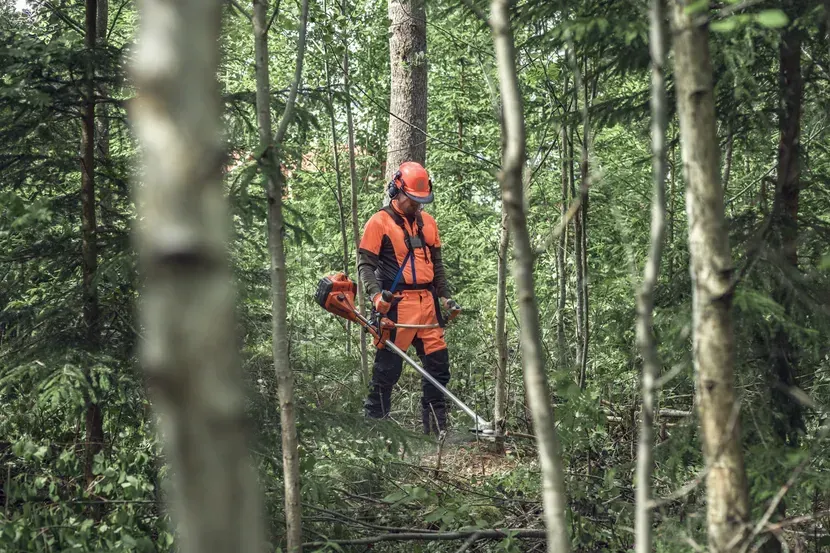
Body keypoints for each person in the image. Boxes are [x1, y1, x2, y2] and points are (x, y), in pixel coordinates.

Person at [357, 161, 460, 434]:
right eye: (413, 200)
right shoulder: (379, 222)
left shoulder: (429, 223)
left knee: (438, 369)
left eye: (421, 200)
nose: (417, 205)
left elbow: (436, 266)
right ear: (396, 190)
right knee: (386, 373)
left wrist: (445, 297)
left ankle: (436, 433)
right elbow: (365, 265)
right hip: (397, 306)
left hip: (427, 305)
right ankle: (376, 435)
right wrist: (376, 296)